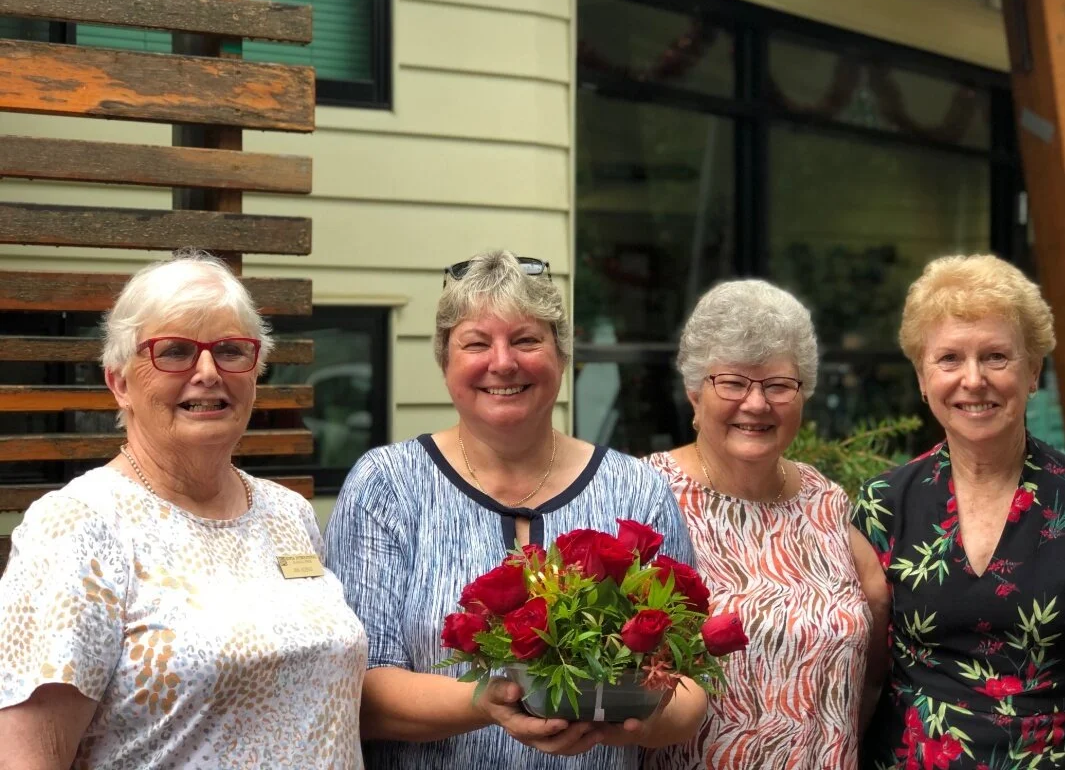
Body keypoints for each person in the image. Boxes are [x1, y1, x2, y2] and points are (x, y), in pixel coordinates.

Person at [325, 250, 707, 769]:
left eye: (527, 340)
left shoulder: (636, 491)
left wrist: (624, 718)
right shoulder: (388, 487)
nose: (503, 363)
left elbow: (688, 689)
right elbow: (360, 692)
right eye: (476, 343)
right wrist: (491, 701)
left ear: (562, 356)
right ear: (445, 363)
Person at [0, 251, 367, 768]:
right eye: (173, 351)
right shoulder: (78, 527)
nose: (207, 372)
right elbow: (31, 756)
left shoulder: (288, 513)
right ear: (119, 383)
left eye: (231, 351)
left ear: (255, 372)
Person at [643, 279, 871, 769]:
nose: (756, 403)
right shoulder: (645, 497)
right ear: (693, 391)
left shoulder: (825, 502)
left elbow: (875, 662)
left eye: (778, 385)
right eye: (732, 382)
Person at [852, 254, 1065, 768]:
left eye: (996, 357)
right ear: (923, 378)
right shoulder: (883, 505)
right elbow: (866, 675)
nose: (973, 380)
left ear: (1033, 371)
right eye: (949, 359)